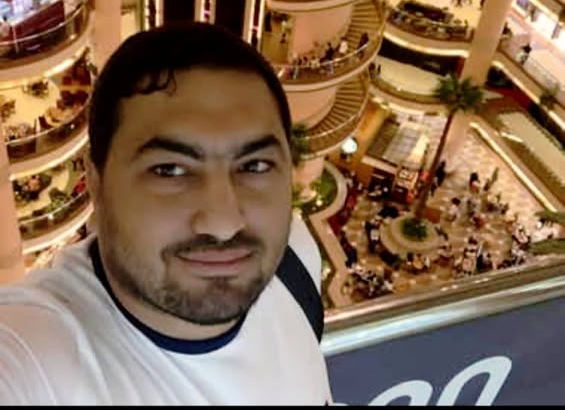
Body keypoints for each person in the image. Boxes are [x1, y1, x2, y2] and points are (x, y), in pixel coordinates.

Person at [0, 23, 333, 404]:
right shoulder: (40, 354)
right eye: (169, 170)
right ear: (96, 181)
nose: (223, 224)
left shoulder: (296, 262)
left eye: (254, 166)